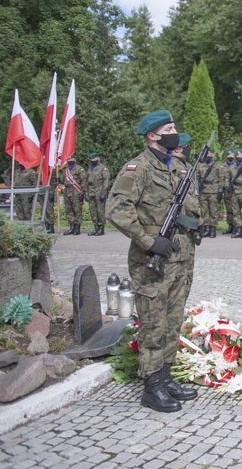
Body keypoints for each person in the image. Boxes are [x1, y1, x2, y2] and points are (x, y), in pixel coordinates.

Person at [106, 109, 201, 412]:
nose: (175, 132)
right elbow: (117, 210)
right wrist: (149, 241)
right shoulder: (138, 168)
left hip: (180, 257)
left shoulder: (175, 166)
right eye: (169, 128)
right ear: (152, 135)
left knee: (173, 319)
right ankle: (152, 387)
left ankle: (166, 376)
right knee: (153, 322)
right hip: (152, 259)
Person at [197, 149, 222, 238]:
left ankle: (213, 229)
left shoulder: (217, 166)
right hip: (203, 191)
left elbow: (221, 178)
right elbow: (197, 177)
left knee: (213, 211)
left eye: (211, 154)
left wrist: (220, 191)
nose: (209, 155)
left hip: (213, 192)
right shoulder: (201, 165)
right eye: (208, 154)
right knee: (204, 211)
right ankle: (206, 228)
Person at [227, 149, 242, 239]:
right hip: (234, 192)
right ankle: (238, 229)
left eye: (241, 155)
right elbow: (227, 178)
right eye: (238, 155)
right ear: (236, 156)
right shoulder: (232, 167)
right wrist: (227, 187)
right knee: (235, 212)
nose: (240, 157)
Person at [61, 156, 87, 235]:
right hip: (67, 192)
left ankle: (77, 228)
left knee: (77, 210)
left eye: (71, 159)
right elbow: (64, 180)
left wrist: (82, 193)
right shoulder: (65, 170)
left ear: (75, 160)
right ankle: (71, 227)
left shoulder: (80, 169)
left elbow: (83, 181)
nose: (70, 160)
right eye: (68, 159)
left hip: (76, 191)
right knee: (68, 210)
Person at [85, 153, 110, 236]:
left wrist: (104, 193)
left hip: (99, 192)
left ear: (98, 158)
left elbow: (106, 182)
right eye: (91, 159)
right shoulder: (90, 169)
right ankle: (95, 227)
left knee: (100, 211)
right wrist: (86, 193)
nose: (92, 160)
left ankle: (101, 228)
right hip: (91, 192)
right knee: (93, 211)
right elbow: (87, 182)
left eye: (94, 158)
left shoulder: (103, 169)